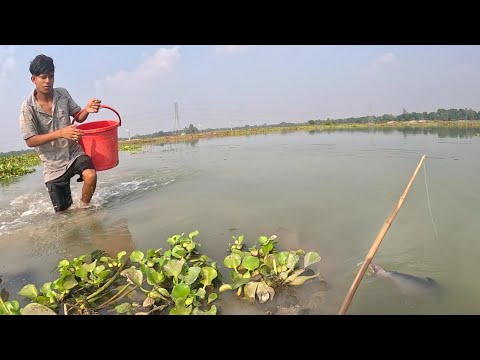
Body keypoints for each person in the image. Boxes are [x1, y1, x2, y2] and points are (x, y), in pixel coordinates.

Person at [19, 54, 101, 213]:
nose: (48, 81)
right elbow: (30, 140)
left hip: (73, 152)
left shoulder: (63, 94)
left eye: (51, 76)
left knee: (90, 175)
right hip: (52, 164)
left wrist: (87, 110)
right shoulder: (27, 107)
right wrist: (61, 133)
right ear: (33, 79)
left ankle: (83, 212)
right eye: (43, 77)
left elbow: (78, 116)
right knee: (63, 215)